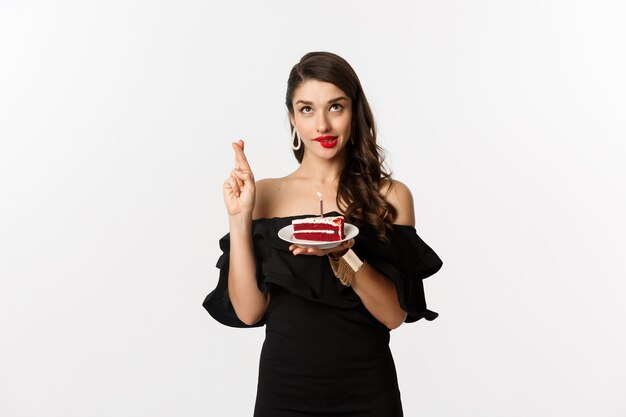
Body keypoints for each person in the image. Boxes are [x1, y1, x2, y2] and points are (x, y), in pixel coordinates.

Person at [203, 51, 443, 417]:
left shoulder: (390, 197)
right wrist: (239, 218)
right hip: (285, 391)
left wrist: (344, 253)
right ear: (292, 118)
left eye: (335, 107)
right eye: (306, 109)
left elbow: (394, 316)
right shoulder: (266, 194)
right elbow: (249, 312)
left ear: (354, 111)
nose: (322, 126)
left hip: (366, 390)